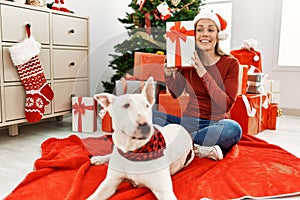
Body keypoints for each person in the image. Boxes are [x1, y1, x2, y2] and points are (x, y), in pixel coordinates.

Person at [153, 11, 242, 160]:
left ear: (218, 35)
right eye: (199, 30)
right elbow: (176, 93)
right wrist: (168, 74)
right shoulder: (187, 59)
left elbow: (224, 105)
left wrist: (203, 72)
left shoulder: (231, 63)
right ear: (193, 35)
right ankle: (198, 146)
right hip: (188, 122)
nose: (204, 34)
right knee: (148, 115)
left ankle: (177, 142)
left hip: (216, 124)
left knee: (233, 129)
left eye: (210, 30)